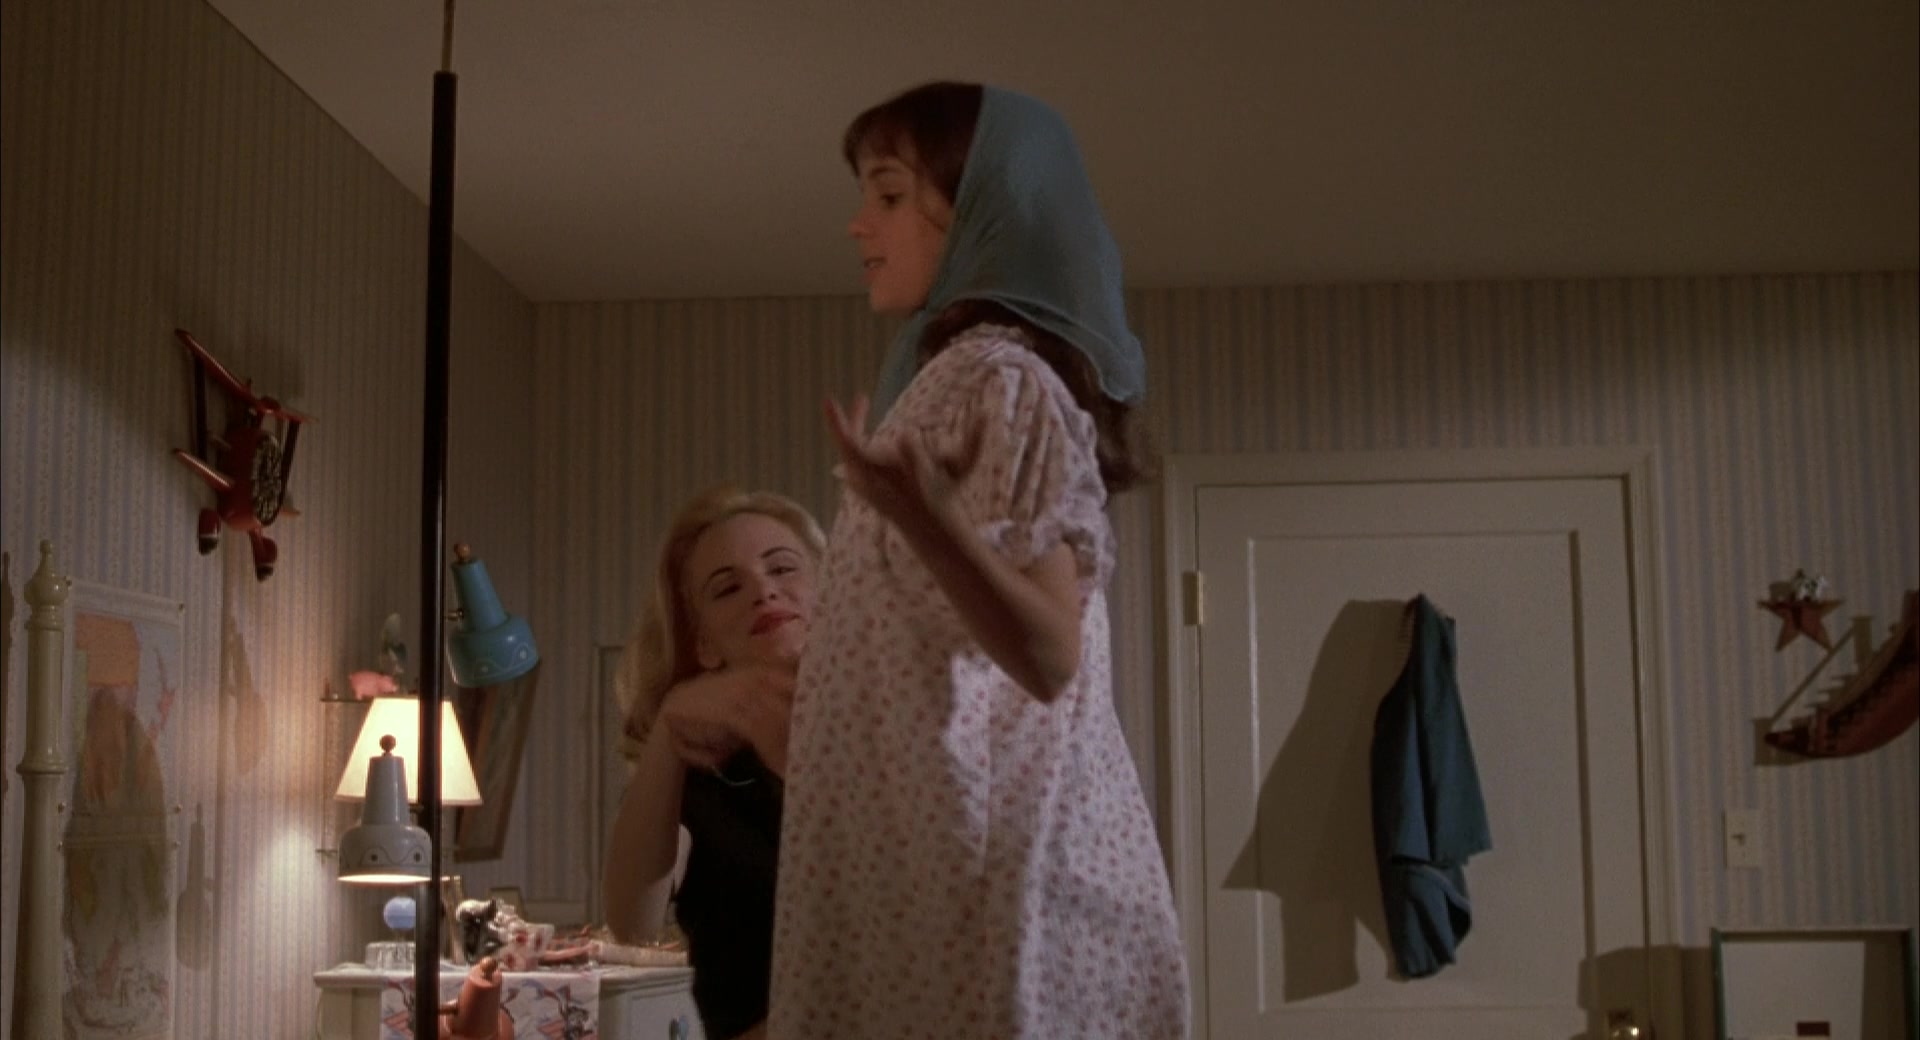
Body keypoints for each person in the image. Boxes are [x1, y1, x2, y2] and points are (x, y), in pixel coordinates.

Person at [768, 82, 1189, 1039]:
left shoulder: (1000, 379)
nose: (858, 225)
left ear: (983, 215)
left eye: (888, 194)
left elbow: (1048, 655)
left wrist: (927, 523)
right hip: (935, 896)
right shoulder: (947, 384)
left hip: (994, 908)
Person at [602, 486, 825, 1040]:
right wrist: (669, 728)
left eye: (782, 568)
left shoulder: (898, 731)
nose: (764, 591)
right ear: (703, 644)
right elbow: (632, 920)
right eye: (728, 588)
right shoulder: (703, 779)